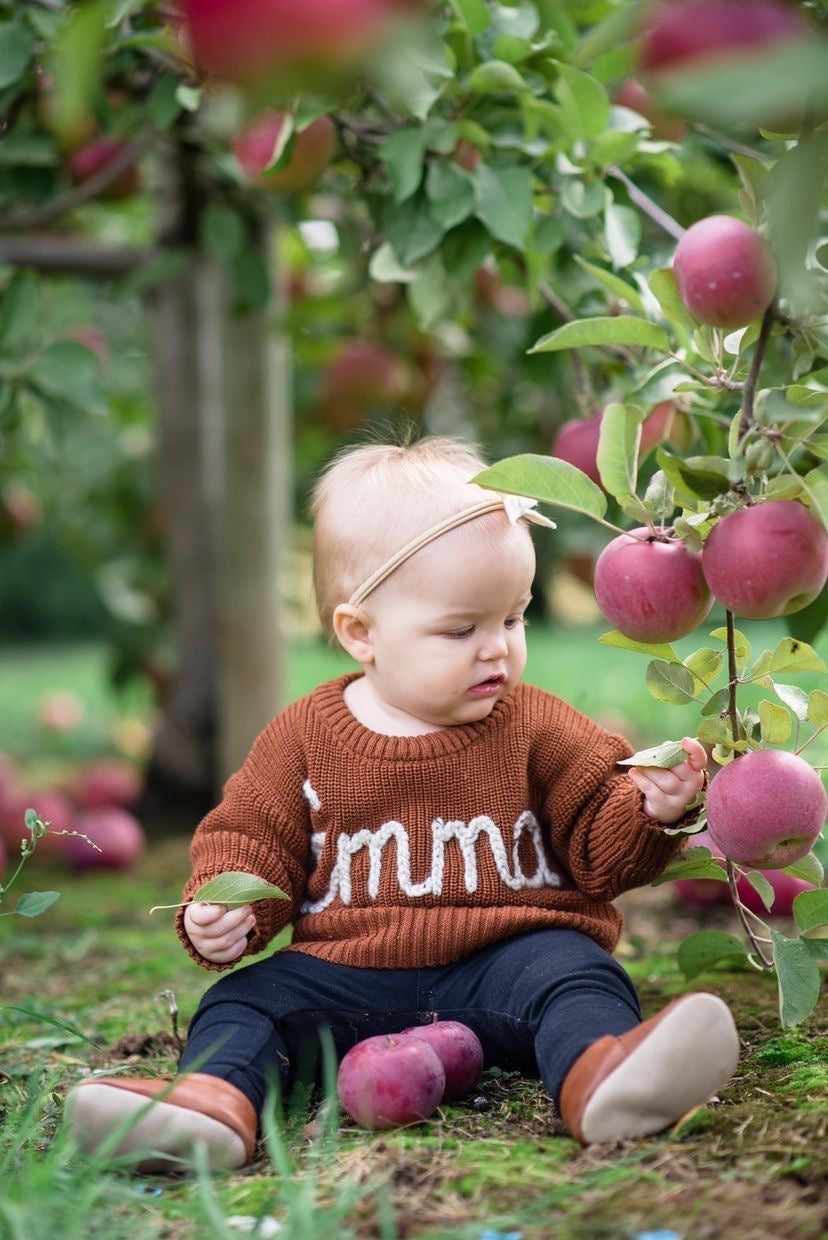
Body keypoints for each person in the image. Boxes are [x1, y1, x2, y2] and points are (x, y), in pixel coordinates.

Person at [66, 435, 739, 1172]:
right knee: (246, 1002)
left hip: (506, 962)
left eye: (513, 618)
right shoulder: (303, 739)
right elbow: (251, 840)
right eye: (462, 629)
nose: (498, 650)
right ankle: (212, 1109)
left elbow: (596, 841)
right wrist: (227, 910)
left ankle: (602, 1081)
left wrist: (651, 808)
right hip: (344, 976)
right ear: (362, 634)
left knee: (578, 972)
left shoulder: (539, 725)